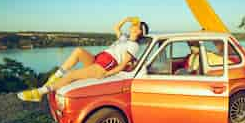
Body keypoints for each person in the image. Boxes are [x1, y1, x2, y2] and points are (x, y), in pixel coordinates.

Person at [17, 17, 149, 102]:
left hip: (106, 66)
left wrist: (106, 74)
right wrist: (126, 19)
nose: (133, 26)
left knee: (72, 75)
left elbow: (122, 65)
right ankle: (55, 76)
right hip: (99, 58)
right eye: (134, 25)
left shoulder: (133, 46)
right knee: (78, 51)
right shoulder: (124, 38)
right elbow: (116, 28)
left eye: (136, 26)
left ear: (140, 32)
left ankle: (40, 93)